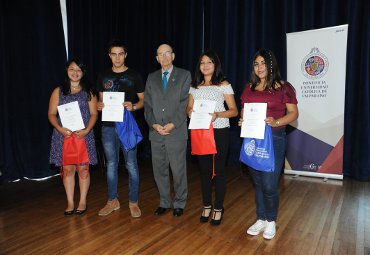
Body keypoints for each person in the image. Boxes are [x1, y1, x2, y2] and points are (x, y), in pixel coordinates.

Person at [239, 49, 298, 239]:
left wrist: (276, 122)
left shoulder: (284, 86)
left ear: (271, 64)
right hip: (253, 139)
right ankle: (261, 218)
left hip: (274, 139)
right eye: (256, 64)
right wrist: (242, 120)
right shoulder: (249, 87)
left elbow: (293, 113)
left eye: (263, 63)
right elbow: (244, 110)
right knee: (258, 182)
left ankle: (271, 220)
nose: (259, 67)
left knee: (269, 184)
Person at [187, 50, 238, 225]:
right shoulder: (195, 85)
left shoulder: (223, 84)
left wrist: (217, 114)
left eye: (209, 62)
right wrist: (190, 112)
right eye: (202, 62)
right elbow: (188, 108)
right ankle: (207, 205)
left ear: (215, 65)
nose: (206, 65)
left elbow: (234, 111)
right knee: (204, 171)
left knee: (220, 171)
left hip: (219, 131)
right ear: (199, 66)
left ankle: (218, 207)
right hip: (200, 130)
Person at [97, 39, 144, 218]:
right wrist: (99, 106)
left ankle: (133, 202)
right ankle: (112, 201)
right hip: (108, 126)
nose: (117, 58)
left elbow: (143, 100)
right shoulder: (103, 76)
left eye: (120, 54)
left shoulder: (134, 75)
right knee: (111, 165)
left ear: (125, 55)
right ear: (109, 56)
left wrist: (134, 106)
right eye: (113, 54)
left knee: (131, 164)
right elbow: (101, 101)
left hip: (128, 125)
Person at [144, 44, 191, 217]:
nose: (164, 57)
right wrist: (153, 124)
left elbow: (184, 104)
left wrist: (173, 124)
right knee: (159, 170)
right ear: (157, 59)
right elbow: (147, 106)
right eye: (160, 55)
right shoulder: (152, 77)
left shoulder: (184, 75)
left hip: (176, 131)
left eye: (167, 54)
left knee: (178, 171)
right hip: (156, 132)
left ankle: (179, 202)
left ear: (173, 56)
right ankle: (164, 201)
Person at [49, 59, 98, 216]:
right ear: (67, 71)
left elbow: (94, 114)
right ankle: (70, 202)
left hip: (83, 136)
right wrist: (60, 128)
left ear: (83, 73)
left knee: (83, 169)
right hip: (64, 136)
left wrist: (87, 130)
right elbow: (51, 114)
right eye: (72, 69)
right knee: (68, 170)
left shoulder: (89, 91)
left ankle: (82, 200)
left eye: (79, 70)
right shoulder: (58, 91)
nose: (75, 73)